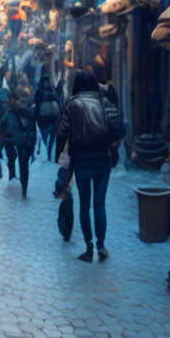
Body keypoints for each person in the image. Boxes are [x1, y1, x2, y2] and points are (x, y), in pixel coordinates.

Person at [56, 71, 115, 262]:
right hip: (102, 160)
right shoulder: (105, 103)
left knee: (84, 205)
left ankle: (89, 248)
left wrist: (60, 158)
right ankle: (102, 246)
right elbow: (119, 128)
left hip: (81, 161)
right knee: (100, 204)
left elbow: (61, 133)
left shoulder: (72, 104)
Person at [2, 90, 37, 198]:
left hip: (23, 142)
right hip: (26, 142)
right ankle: (24, 190)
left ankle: (24, 189)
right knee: (24, 166)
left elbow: (9, 128)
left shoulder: (15, 112)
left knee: (23, 166)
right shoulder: (26, 111)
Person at [34, 75, 61, 159]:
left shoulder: (39, 91)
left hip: (44, 120)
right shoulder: (53, 91)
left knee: (45, 138)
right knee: (52, 140)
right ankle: (49, 153)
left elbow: (36, 105)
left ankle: (48, 153)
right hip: (54, 118)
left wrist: (36, 118)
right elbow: (59, 102)